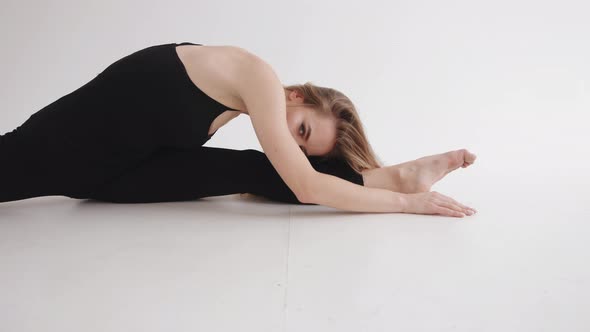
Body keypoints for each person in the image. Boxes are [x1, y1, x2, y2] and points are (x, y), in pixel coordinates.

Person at [0, 41, 477, 217]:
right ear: (297, 96)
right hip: (51, 157)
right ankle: (397, 185)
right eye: (304, 131)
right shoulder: (257, 78)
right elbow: (307, 187)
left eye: (304, 147)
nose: (292, 145)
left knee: (252, 171)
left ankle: (395, 174)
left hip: (106, 178)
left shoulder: (236, 103)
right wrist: (403, 206)